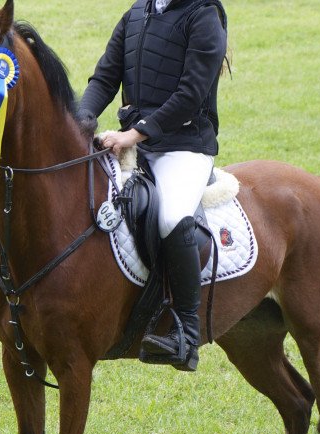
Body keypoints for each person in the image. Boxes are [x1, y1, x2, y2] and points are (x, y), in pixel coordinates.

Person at [78, 0, 228, 371]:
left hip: (184, 147)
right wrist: (81, 119)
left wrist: (134, 134)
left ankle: (186, 333)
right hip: (137, 142)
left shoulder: (204, 14)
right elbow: (104, 77)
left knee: (172, 217)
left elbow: (191, 93)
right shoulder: (137, 13)